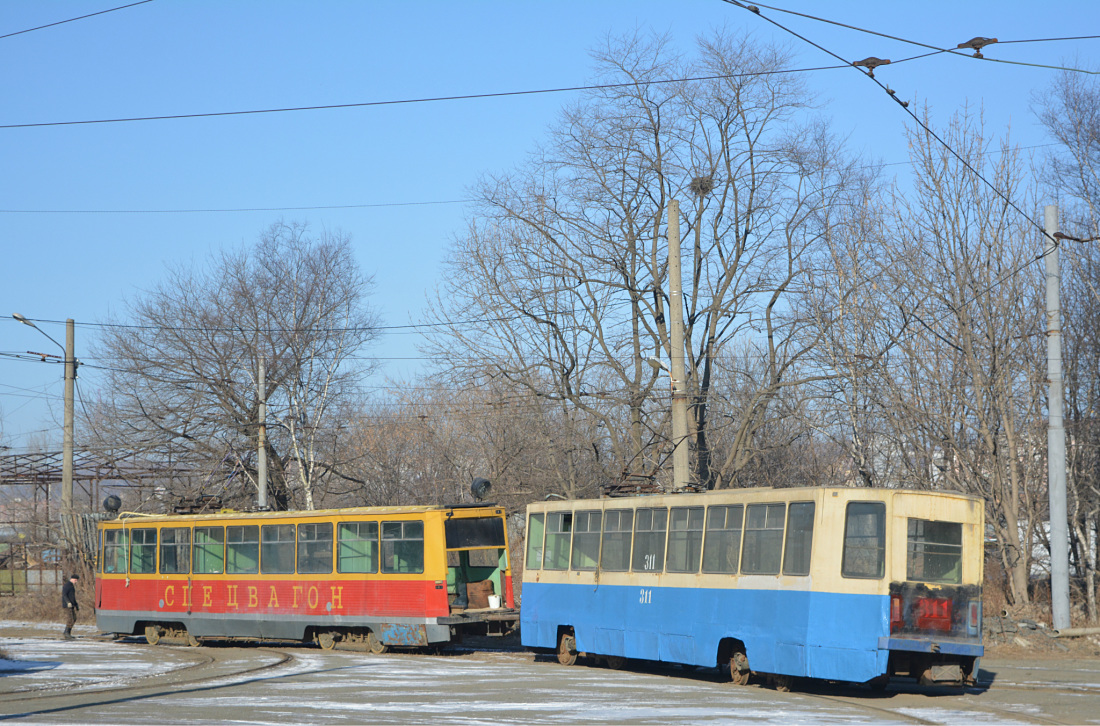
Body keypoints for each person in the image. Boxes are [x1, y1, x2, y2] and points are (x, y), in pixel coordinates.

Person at [61, 573, 79, 640]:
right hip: (67, 605)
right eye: (76, 580)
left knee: (74, 618)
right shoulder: (67, 585)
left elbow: (73, 597)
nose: (76, 582)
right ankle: (67, 633)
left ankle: (67, 632)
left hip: (72, 605)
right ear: (73, 579)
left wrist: (76, 605)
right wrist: (68, 602)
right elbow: (64, 595)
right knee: (70, 619)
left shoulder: (71, 586)